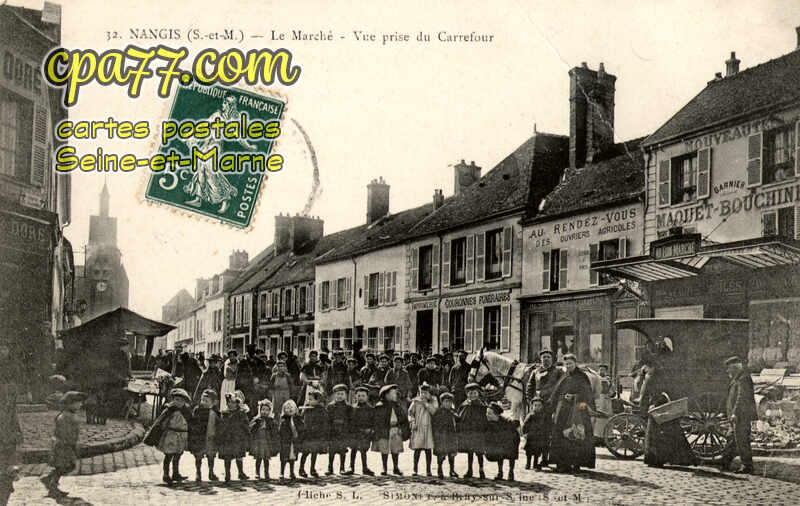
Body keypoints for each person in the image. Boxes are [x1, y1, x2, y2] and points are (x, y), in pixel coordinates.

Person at [639, 361, 698, 468]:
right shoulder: (662, 374)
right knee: (672, 432)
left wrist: (642, 408)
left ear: (647, 367)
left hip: (656, 407)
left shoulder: (649, 377)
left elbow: (644, 394)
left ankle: (656, 460)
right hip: (666, 405)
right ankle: (682, 459)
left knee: (654, 434)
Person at [549, 354, 595, 473]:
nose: (568, 366)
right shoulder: (564, 376)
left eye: (570, 363)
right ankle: (562, 464)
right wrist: (553, 407)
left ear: (575, 363)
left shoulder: (582, 376)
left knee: (577, 434)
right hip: (563, 411)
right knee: (561, 435)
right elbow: (556, 393)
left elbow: (588, 394)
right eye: (566, 364)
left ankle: (577, 463)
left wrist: (575, 396)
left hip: (578, 410)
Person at [40, 391, 86, 497]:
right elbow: (65, 433)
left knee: (65, 466)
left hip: (65, 445)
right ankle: (52, 485)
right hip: (64, 446)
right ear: (70, 404)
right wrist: (72, 445)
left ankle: (49, 479)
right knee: (65, 466)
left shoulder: (68, 414)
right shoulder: (66, 416)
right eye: (78, 402)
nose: (80, 404)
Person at [719, 356, 757, 474]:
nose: (727, 371)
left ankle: (747, 466)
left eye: (729, 368)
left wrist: (735, 413)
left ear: (735, 367)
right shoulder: (738, 378)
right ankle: (724, 463)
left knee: (741, 440)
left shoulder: (743, 378)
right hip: (736, 415)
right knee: (732, 439)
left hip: (741, 415)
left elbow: (741, 397)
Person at [526, 349, 563, 467]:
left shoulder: (558, 372)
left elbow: (561, 388)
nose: (546, 359)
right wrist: (532, 402)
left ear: (552, 359)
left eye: (548, 357)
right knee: (536, 435)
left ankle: (545, 458)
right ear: (540, 359)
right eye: (544, 357)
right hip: (537, 408)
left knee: (547, 433)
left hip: (550, 407)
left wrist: (555, 404)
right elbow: (529, 387)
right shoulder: (535, 372)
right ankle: (534, 459)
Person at [0, 343, 22, 505]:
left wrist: (17, 429)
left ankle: (7, 478)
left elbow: (13, 412)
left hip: (7, 423)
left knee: (8, 444)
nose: (2, 351)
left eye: (4, 349)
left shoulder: (11, 367)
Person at [155, 388, 192, 484]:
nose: (178, 402)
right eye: (176, 400)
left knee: (178, 455)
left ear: (184, 401)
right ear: (173, 400)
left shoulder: (186, 411)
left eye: (181, 400)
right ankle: (166, 475)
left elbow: (191, 422)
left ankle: (176, 473)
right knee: (169, 455)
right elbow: (162, 422)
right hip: (171, 435)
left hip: (182, 435)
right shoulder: (169, 410)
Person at [372, 384, 409, 476]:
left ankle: (395, 467)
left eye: (395, 393)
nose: (395, 395)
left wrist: (403, 429)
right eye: (393, 393)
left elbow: (403, 418)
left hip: (395, 430)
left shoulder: (397, 406)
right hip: (385, 431)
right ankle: (384, 467)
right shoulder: (380, 406)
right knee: (384, 449)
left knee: (395, 449)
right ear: (386, 395)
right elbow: (376, 421)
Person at [218, 391, 250, 481]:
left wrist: (246, 435)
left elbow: (245, 425)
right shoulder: (224, 413)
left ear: (237, 404)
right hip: (227, 439)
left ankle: (240, 472)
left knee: (239, 455)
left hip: (238, 438)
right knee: (227, 457)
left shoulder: (241, 413)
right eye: (228, 402)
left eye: (233, 403)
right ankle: (227, 474)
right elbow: (221, 425)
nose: (230, 404)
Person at [188, 389, 220, 481]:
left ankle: (211, 472)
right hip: (200, 437)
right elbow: (193, 423)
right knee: (198, 456)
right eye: (202, 400)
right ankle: (198, 473)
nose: (203, 402)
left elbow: (219, 424)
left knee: (211, 456)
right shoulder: (197, 410)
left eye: (207, 401)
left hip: (211, 437)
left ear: (213, 402)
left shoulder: (215, 412)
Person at [485, 401, 520, 481]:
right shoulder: (489, 422)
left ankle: (511, 472)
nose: (487, 415)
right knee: (499, 455)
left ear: (496, 414)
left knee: (511, 456)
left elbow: (516, 425)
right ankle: (500, 473)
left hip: (512, 440)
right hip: (501, 441)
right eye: (487, 413)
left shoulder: (506, 422)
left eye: (489, 413)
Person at [408, 382, 438, 476]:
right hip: (418, 427)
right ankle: (415, 469)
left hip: (429, 428)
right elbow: (410, 413)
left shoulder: (433, 400)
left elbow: (434, 412)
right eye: (422, 392)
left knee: (428, 450)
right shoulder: (416, 401)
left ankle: (428, 470)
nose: (423, 395)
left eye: (426, 392)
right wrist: (412, 422)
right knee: (417, 449)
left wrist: (426, 404)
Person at [458, 383, 486, 479]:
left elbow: (485, 419)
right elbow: (460, 416)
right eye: (470, 393)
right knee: (470, 452)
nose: (472, 395)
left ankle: (481, 469)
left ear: (478, 393)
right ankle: (469, 469)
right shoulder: (464, 405)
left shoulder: (481, 405)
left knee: (479, 452)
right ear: (467, 394)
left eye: (474, 393)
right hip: (468, 432)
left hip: (478, 432)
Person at [298, 390, 328, 478]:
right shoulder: (306, 409)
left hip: (316, 435)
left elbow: (324, 422)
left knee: (314, 453)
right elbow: (301, 419)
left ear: (317, 400)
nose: (309, 401)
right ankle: (301, 469)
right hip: (307, 435)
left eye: (311, 399)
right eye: (308, 399)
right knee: (305, 452)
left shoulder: (321, 410)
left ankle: (312, 469)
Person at [348, 386, 374, 476]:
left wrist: (370, 430)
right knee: (353, 449)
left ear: (367, 397)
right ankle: (351, 467)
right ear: (355, 396)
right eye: (359, 396)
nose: (361, 398)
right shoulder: (353, 408)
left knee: (363, 451)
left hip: (365, 433)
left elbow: (373, 421)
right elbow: (350, 421)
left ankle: (365, 467)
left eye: (363, 396)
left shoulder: (370, 409)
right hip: (355, 433)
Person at [249, 399, 278, 480]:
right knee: (258, 458)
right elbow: (251, 429)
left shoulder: (271, 421)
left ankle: (266, 472)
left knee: (266, 459)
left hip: (266, 442)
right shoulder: (257, 420)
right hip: (258, 441)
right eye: (263, 409)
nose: (264, 412)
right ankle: (257, 472)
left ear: (270, 411)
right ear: (260, 410)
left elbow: (274, 431)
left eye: (267, 410)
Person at [432, 391, 459, 478]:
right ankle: (440, 469)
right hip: (441, 436)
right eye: (446, 401)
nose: (448, 404)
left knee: (452, 453)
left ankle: (452, 470)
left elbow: (458, 420)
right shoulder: (438, 412)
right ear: (442, 402)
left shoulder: (452, 411)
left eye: (450, 402)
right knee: (441, 454)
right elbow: (434, 424)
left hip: (451, 435)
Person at [326, 384, 351, 475]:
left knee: (342, 450)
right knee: (331, 451)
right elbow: (327, 420)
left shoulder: (348, 407)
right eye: (338, 394)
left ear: (345, 395)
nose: (340, 396)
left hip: (343, 431)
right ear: (334, 395)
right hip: (333, 432)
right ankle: (330, 468)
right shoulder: (330, 406)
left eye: (342, 394)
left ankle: (342, 467)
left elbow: (350, 420)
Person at [522, 395, 549, 470]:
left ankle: (535, 464)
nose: (537, 407)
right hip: (531, 436)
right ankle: (528, 463)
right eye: (535, 405)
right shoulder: (530, 415)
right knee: (529, 451)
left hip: (540, 437)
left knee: (537, 451)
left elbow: (547, 425)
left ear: (542, 406)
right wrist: (525, 433)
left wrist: (547, 434)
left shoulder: (544, 416)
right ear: (532, 406)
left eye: (539, 405)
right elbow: (525, 425)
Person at [278, 399, 303, 480]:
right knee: (284, 458)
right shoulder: (284, 420)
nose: (290, 409)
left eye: (291, 407)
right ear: (284, 410)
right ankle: (282, 472)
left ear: (295, 409)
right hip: (286, 441)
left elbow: (301, 428)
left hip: (294, 441)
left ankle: (291, 472)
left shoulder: (297, 419)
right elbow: (281, 431)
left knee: (292, 457)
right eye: (287, 408)